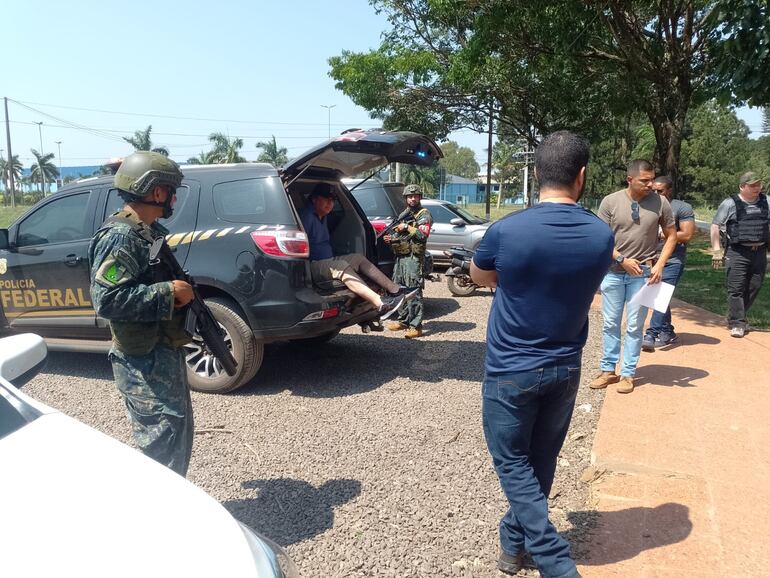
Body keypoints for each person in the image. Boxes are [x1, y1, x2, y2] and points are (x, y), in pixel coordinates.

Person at [471, 131, 613, 578]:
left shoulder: (507, 230)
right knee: (541, 461)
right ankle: (512, 546)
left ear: (536, 174)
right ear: (582, 176)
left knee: (513, 464)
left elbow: (479, 276)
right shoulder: (601, 235)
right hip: (565, 367)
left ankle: (555, 562)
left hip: (510, 369)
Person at [89, 151, 195, 476]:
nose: (174, 198)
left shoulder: (149, 232)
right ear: (157, 191)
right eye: (171, 191)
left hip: (161, 351)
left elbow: (148, 274)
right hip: (142, 362)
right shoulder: (120, 238)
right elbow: (107, 299)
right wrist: (169, 293)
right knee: (161, 446)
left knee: (176, 432)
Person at [590, 160, 677, 394]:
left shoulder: (661, 202)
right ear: (630, 179)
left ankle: (628, 373)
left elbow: (672, 236)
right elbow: (600, 238)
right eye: (645, 180)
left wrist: (660, 264)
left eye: (653, 180)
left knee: (635, 326)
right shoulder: (610, 201)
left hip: (644, 275)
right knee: (610, 323)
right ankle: (608, 370)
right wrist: (621, 259)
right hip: (612, 272)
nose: (651, 184)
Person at [300, 182, 416, 320]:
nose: (330, 203)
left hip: (327, 261)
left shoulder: (323, 216)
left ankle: (396, 290)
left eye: (332, 200)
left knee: (358, 258)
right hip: (313, 265)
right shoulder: (306, 217)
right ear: (314, 199)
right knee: (341, 266)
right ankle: (381, 304)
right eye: (326, 199)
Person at [710, 171, 768, 338]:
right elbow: (715, 225)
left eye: (759, 184)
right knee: (735, 288)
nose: (757, 188)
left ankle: (735, 315)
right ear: (742, 187)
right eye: (753, 185)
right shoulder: (730, 204)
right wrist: (716, 251)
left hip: (759, 252)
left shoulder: (766, 202)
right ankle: (737, 323)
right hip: (737, 252)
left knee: (754, 286)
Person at [642, 176, 695, 350]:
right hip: (650, 258)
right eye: (653, 190)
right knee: (658, 295)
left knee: (661, 295)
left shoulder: (681, 207)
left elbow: (687, 235)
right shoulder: (646, 205)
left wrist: (662, 234)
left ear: (669, 190)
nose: (656, 193)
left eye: (660, 190)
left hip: (673, 259)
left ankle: (651, 334)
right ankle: (667, 331)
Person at [383, 184, 433, 338]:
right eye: (410, 196)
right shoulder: (405, 213)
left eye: (415, 196)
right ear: (405, 198)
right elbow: (400, 235)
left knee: (413, 290)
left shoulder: (424, 214)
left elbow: (422, 235)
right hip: (401, 257)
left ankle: (416, 326)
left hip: (413, 258)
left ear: (420, 197)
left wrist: (406, 227)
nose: (412, 199)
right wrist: (391, 239)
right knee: (400, 289)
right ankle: (404, 320)